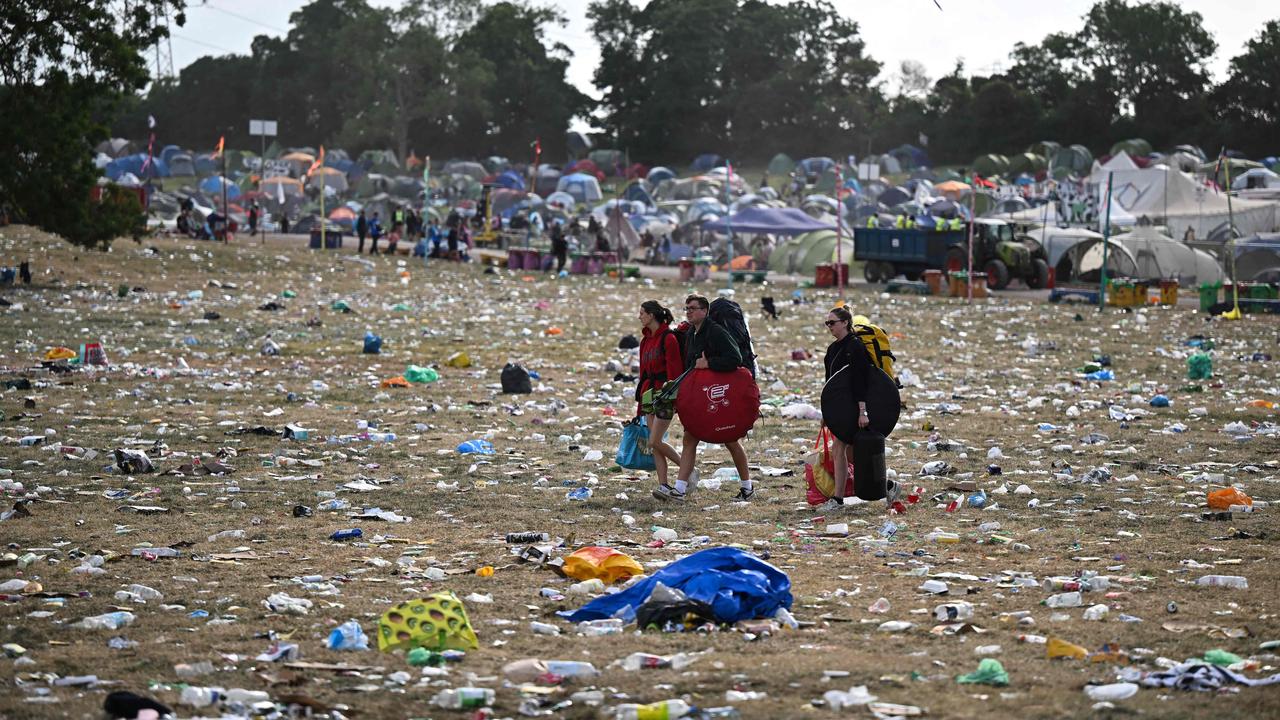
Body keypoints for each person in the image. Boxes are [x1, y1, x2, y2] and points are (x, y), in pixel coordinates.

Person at [655, 294, 754, 502]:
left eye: (693, 308)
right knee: (690, 438)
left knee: (731, 441)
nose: (689, 311)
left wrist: (710, 364)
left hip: (720, 394)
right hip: (702, 396)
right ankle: (680, 490)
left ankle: (747, 486)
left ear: (705, 311)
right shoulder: (692, 333)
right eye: (687, 308)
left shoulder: (716, 332)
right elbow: (692, 365)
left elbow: (734, 358)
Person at [820, 306, 900, 512]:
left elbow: (860, 380)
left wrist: (863, 411)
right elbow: (831, 384)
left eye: (832, 323)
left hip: (859, 406)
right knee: (853, 454)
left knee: (839, 449)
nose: (829, 327)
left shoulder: (855, 347)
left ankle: (837, 500)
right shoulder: (832, 349)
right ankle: (888, 486)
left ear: (845, 323)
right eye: (827, 323)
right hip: (842, 408)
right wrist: (826, 413)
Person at [636, 301, 685, 495]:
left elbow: (675, 372)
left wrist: (674, 400)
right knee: (654, 443)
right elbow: (643, 374)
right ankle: (663, 484)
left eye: (642, 313)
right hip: (649, 396)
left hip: (665, 395)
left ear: (652, 315)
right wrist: (640, 404)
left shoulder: (669, 338)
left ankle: (687, 469)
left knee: (654, 441)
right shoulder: (645, 341)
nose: (639, 317)